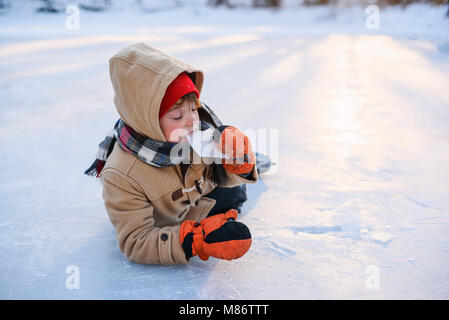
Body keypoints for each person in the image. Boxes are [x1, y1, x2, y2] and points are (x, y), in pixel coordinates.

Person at [84, 43, 260, 265]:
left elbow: (216, 175)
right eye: (177, 116)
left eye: (194, 109)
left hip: (200, 202)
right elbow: (136, 241)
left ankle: (256, 161)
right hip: (168, 230)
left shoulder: (193, 133)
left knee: (234, 191)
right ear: (146, 121)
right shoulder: (121, 175)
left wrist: (237, 161)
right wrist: (194, 240)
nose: (193, 122)